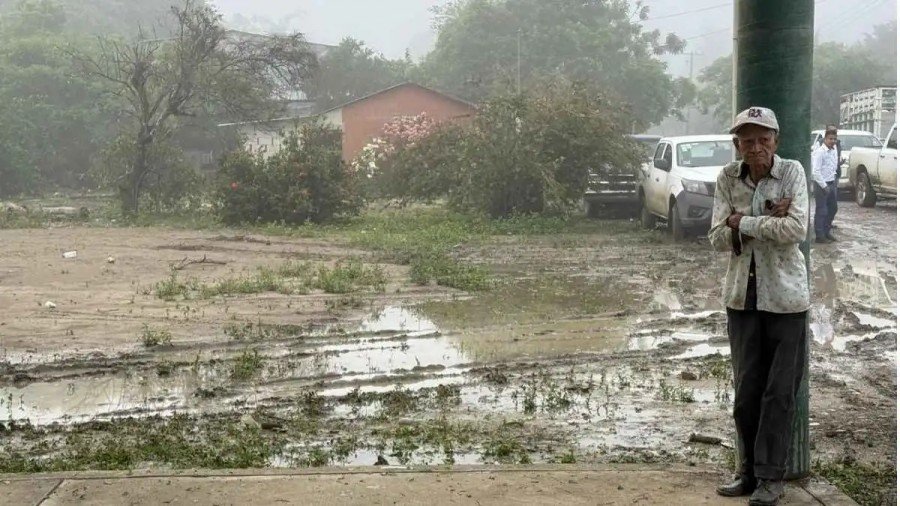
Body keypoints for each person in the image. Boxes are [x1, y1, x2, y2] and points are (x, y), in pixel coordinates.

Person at [708, 106, 810, 506]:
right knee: (746, 391)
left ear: (776, 141)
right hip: (741, 298)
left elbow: (795, 230)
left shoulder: (791, 173)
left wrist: (742, 221)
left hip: (786, 300)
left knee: (778, 393)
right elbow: (715, 236)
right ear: (737, 145)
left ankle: (772, 478)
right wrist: (753, 222)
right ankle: (747, 472)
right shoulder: (726, 178)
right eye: (747, 140)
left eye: (763, 139)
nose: (756, 147)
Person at [812, 128, 839, 243]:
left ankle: (826, 231)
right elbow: (815, 172)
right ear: (825, 139)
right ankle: (820, 235)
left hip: (831, 182)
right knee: (821, 210)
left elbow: (832, 165)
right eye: (830, 139)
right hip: (821, 184)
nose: (832, 141)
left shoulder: (834, 150)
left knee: (833, 208)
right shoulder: (820, 152)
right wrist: (824, 186)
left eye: (834, 139)